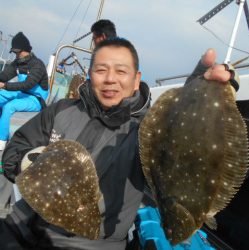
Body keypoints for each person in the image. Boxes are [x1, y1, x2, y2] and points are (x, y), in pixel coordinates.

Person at [0, 38, 236, 250]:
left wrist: (194, 97)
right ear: (90, 74)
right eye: (101, 70)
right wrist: (31, 163)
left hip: (91, 243)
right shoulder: (61, 110)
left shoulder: (146, 132)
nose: (110, 79)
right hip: (19, 224)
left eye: (121, 71)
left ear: (136, 80)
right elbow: (13, 152)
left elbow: (179, 149)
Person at [0, 32, 49, 151]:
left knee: (9, 106)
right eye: (15, 52)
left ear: (26, 50)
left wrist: (5, 85)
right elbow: (4, 76)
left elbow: (28, 85)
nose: (16, 55)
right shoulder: (17, 63)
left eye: (18, 52)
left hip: (36, 99)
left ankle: (2, 143)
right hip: (22, 93)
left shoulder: (37, 65)